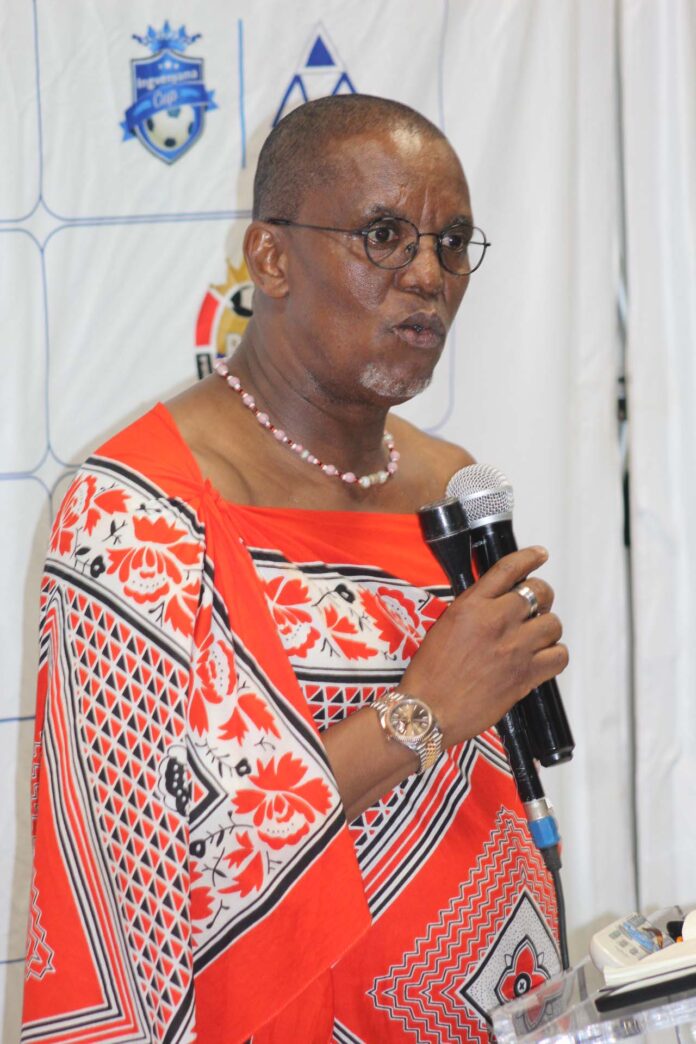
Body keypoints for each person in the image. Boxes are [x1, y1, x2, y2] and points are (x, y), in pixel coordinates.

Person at [22, 95, 568, 1043]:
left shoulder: (453, 485)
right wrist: (422, 711)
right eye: (384, 236)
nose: (428, 276)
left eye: (452, 243)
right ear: (270, 259)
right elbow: (134, 873)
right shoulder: (137, 508)